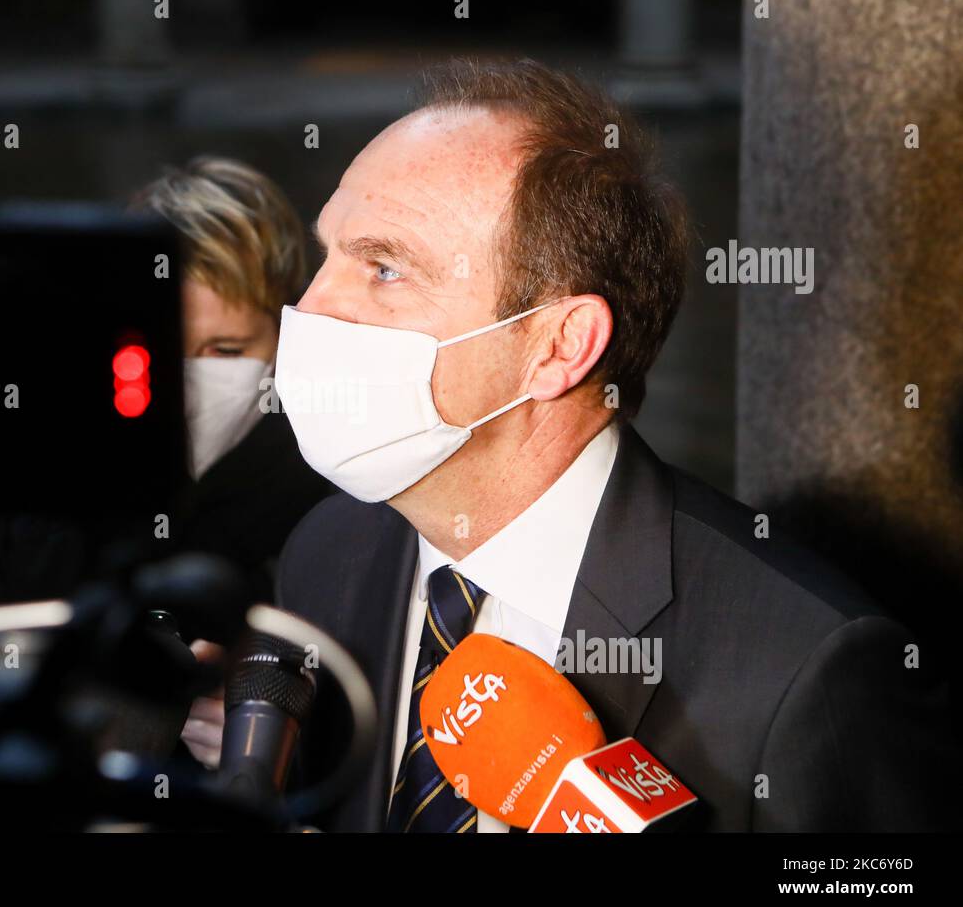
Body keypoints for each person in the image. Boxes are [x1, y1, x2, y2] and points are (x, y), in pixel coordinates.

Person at [183, 58, 951, 830]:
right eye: (327, 257)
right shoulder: (330, 551)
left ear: (559, 347)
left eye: (384, 270)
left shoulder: (806, 669)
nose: (312, 309)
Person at [0, 160, 331, 764]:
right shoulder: (30, 492)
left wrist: (281, 739)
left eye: (226, 351)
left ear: (286, 339)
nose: (191, 381)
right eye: (163, 344)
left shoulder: (338, 500)